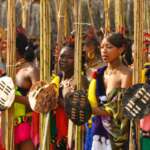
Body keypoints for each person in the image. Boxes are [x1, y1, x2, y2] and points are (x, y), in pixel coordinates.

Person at [88, 32, 132, 150]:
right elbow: (92, 100)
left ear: (121, 49)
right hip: (98, 130)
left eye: (109, 47)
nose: (104, 51)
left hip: (117, 134)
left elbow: (120, 110)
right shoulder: (99, 73)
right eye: (102, 47)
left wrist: (91, 110)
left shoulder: (126, 74)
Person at [14, 31, 39, 150]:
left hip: (26, 127)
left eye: (5, 45)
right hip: (7, 125)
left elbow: (37, 102)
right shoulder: (8, 68)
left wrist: (14, 98)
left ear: (16, 48)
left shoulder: (30, 70)